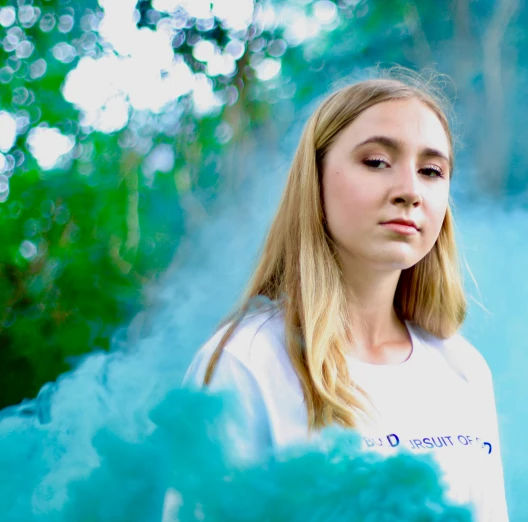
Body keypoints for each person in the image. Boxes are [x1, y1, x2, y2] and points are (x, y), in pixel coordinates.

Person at [179, 71, 509, 521]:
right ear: (314, 180)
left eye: (431, 171)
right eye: (376, 162)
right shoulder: (245, 362)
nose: (410, 191)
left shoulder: (463, 369)